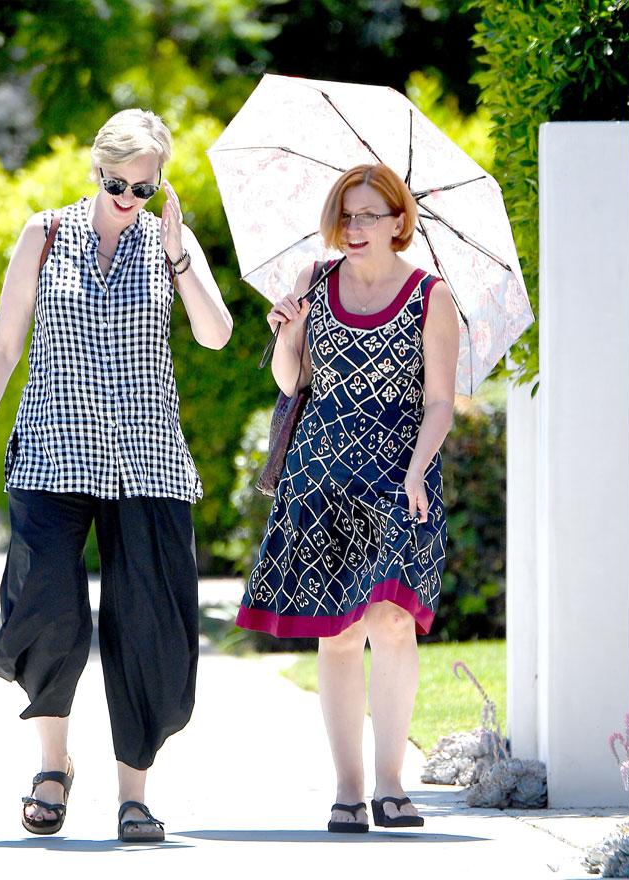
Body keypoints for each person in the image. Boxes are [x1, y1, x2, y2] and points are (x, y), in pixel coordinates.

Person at [0, 108, 232, 842]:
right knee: (43, 604)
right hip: (53, 451)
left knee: (147, 624)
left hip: (149, 462)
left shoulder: (171, 241)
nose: (128, 199)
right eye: (116, 184)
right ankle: (53, 765)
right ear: (95, 171)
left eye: (143, 187)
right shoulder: (44, 236)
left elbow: (215, 333)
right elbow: (4, 343)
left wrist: (176, 256)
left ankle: (133, 794)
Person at [238, 163, 459, 832]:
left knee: (391, 623)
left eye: (369, 215)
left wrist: (419, 469)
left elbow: (442, 400)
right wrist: (287, 330)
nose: (355, 227)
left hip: (400, 475)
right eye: (347, 214)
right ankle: (348, 788)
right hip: (323, 474)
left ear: (400, 221)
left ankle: (392, 781)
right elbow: (289, 381)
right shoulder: (314, 281)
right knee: (337, 634)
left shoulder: (430, 295)